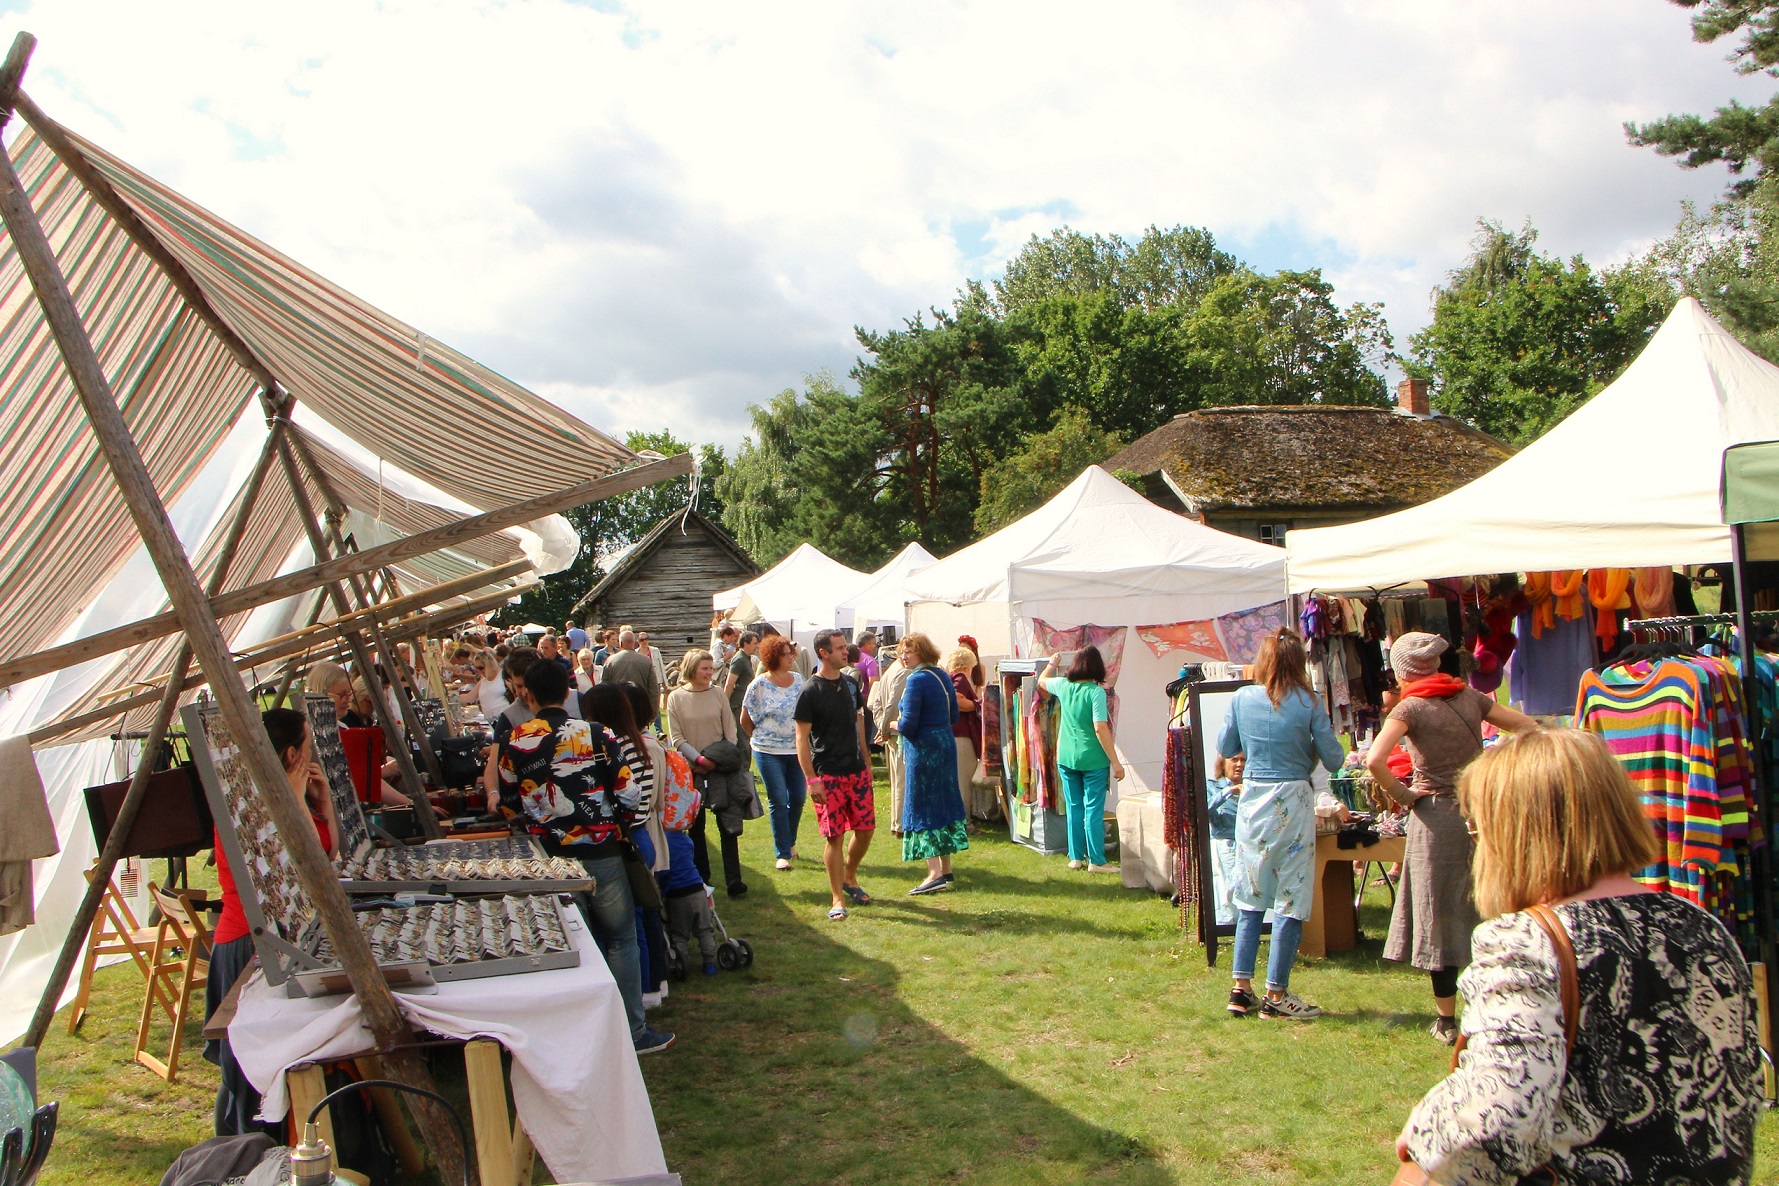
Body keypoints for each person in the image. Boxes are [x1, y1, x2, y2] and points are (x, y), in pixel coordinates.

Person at [1396, 729, 1761, 1184]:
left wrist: (1425, 1139)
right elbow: (1735, 1100)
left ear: (1517, 833)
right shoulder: (1704, 928)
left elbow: (1492, 1122)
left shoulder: (1525, 943)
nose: (1478, 844)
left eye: (1479, 827)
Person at [1368, 631, 1541, 1044]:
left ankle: (1447, 1019)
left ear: (1401, 669)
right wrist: (1494, 772)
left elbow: (1375, 760)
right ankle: (1493, 1002)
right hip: (1481, 811)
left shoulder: (1409, 707)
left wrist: (1406, 796)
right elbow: (1530, 728)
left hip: (1436, 818)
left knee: (1438, 915)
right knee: (1487, 904)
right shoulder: (1469, 697)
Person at [494, 657, 673, 1055]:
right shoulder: (597, 734)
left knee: (577, 946)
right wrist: (617, 824)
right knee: (622, 940)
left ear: (529, 694)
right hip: (602, 851)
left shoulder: (517, 738)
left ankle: (587, 1035)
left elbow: (507, 802)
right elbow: (629, 794)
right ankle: (631, 1030)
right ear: (567, 690)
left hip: (551, 857)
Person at [206, 707, 339, 1136]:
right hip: (250, 941)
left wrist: (322, 803)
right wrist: (300, 800)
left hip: (269, 936)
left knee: (264, 1064)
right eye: (307, 747)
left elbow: (330, 853)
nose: (313, 754)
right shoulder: (253, 804)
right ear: (290, 755)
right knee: (250, 1071)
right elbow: (309, 862)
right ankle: (247, 1153)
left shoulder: (285, 794)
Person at [1216, 628, 1343, 1021]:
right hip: (1292, 799)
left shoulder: (1242, 697)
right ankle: (1277, 993)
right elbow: (1335, 758)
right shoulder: (1308, 701)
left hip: (1254, 799)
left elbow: (1224, 747)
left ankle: (1241, 988)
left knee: (1251, 894)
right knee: (1291, 895)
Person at [795, 628, 873, 920]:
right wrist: (812, 779)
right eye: (839, 648)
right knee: (835, 837)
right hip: (828, 774)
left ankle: (849, 876)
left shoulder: (852, 685)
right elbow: (801, 739)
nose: (845, 652)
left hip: (857, 771)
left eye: (844, 647)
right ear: (823, 653)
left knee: (865, 830)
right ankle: (837, 897)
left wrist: (865, 759)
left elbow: (859, 723)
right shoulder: (810, 690)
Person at [666, 649, 747, 896]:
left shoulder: (718, 695)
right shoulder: (676, 698)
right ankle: (702, 878)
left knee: (728, 824)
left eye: (711, 668)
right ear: (691, 668)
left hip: (720, 768)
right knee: (696, 825)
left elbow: (730, 733)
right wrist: (699, 759)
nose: (709, 673)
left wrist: (715, 760)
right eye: (704, 668)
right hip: (691, 769)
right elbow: (676, 737)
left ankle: (734, 880)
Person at [1037, 646, 1125, 874]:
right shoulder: (1096, 692)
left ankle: (1075, 857)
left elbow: (1042, 680)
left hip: (1066, 756)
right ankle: (1096, 860)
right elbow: (1100, 728)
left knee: (1074, 807)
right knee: (1093, 809)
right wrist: (1115, 762)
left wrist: (1052, 663)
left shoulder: (1064, 686)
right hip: (1093, 758)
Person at [893, 633, 968, 895]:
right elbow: (954, 714)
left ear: (922, 653)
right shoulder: (942, 675)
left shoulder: (916, 680)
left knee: (923, 805)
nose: (903, 656)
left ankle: (934, 872)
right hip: (944, 743)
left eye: (908, 652)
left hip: (924, 750)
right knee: (943, 803)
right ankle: (946, 871)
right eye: (902, 652)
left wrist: (893, 724)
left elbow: (908, 725)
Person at [740, 634, 806, 871]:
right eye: (786, 654)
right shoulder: (759, 685)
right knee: (778, 798)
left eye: (791, 653)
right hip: (767, 751)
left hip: (795, 750)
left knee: (798, 798)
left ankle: (790, 842)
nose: (791, 657)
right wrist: (760, 739)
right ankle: (782, 853)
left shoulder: (799, 681)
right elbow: (745, 720)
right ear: (773, 657)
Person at [945, 646, 995, 822]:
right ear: (968, 665)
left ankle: (959, 819)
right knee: (964, 781)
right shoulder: (960, 678)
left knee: (956, 780)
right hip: (961, 736)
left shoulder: (949, 678)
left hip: (952, 734)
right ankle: (964, 822)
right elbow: (956, 701)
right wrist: (977, 704)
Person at [868, 647, 914, 835]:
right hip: (897, 733)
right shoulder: (903, 672)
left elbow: (875, 703)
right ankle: (901, 825)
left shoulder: (890, 671)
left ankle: (897, 823)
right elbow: (891, 704)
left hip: (892, 732)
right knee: (902, 780)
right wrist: (885, 728)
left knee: (896, 781)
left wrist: (881, 726)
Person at [1207, 753, 1244, 926]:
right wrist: (1228, 791)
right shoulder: (1213, 787)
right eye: (1235, 760)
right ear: (1223, 764)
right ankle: (1226, 927)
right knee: (1226, 892)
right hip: (1224, 844)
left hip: (1249, 846)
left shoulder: (1254, 788)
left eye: (1243, 760)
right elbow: (1201, 808)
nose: (1239, 764)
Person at [604, 629, 661, 709]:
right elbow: (653, 688)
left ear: (620, 643)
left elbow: (603, 687)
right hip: (640, 707)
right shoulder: (646, 661)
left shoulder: (610, 661)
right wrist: (653, 711)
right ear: (634, 643)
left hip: (617, 708)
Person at [473, 649, 509, 719]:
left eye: (481, 668)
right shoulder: (483, 680)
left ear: (489, 664)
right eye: (476, 668)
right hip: (490, 719)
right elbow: (469, 697)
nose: (479, 671)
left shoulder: (504, 676)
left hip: (504, 717)